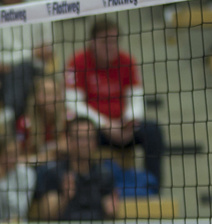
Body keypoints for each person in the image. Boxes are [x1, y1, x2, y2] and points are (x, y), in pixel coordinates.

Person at [65, 18, 164, 188]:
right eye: (105, 41)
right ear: (92, 42)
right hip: (95, 129)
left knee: (153, 131)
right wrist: (106, 124)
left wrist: (128, 122)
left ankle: (152, 188)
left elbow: (136, 98)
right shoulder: (78, 61)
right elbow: (74, 103)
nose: (110, 46)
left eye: (114, 41)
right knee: (78, 135)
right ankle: (89, 188)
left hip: (123, 127)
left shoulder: (127, 61)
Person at [31, 116, 117, 224]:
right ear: (69, 140)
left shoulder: (103, 173)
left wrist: (112, 210)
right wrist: (65, 197)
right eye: (79, 138)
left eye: (89, 138)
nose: (84, 143)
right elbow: (47, 214)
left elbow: (111, 210)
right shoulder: (53, 172)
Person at [20, 73, 68, 165]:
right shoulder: (25, 124)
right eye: (46, 94)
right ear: (35, 97)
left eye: (55, 94)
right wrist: (48, 156)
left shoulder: (68, 120)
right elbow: (17, 158)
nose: (51, 99)